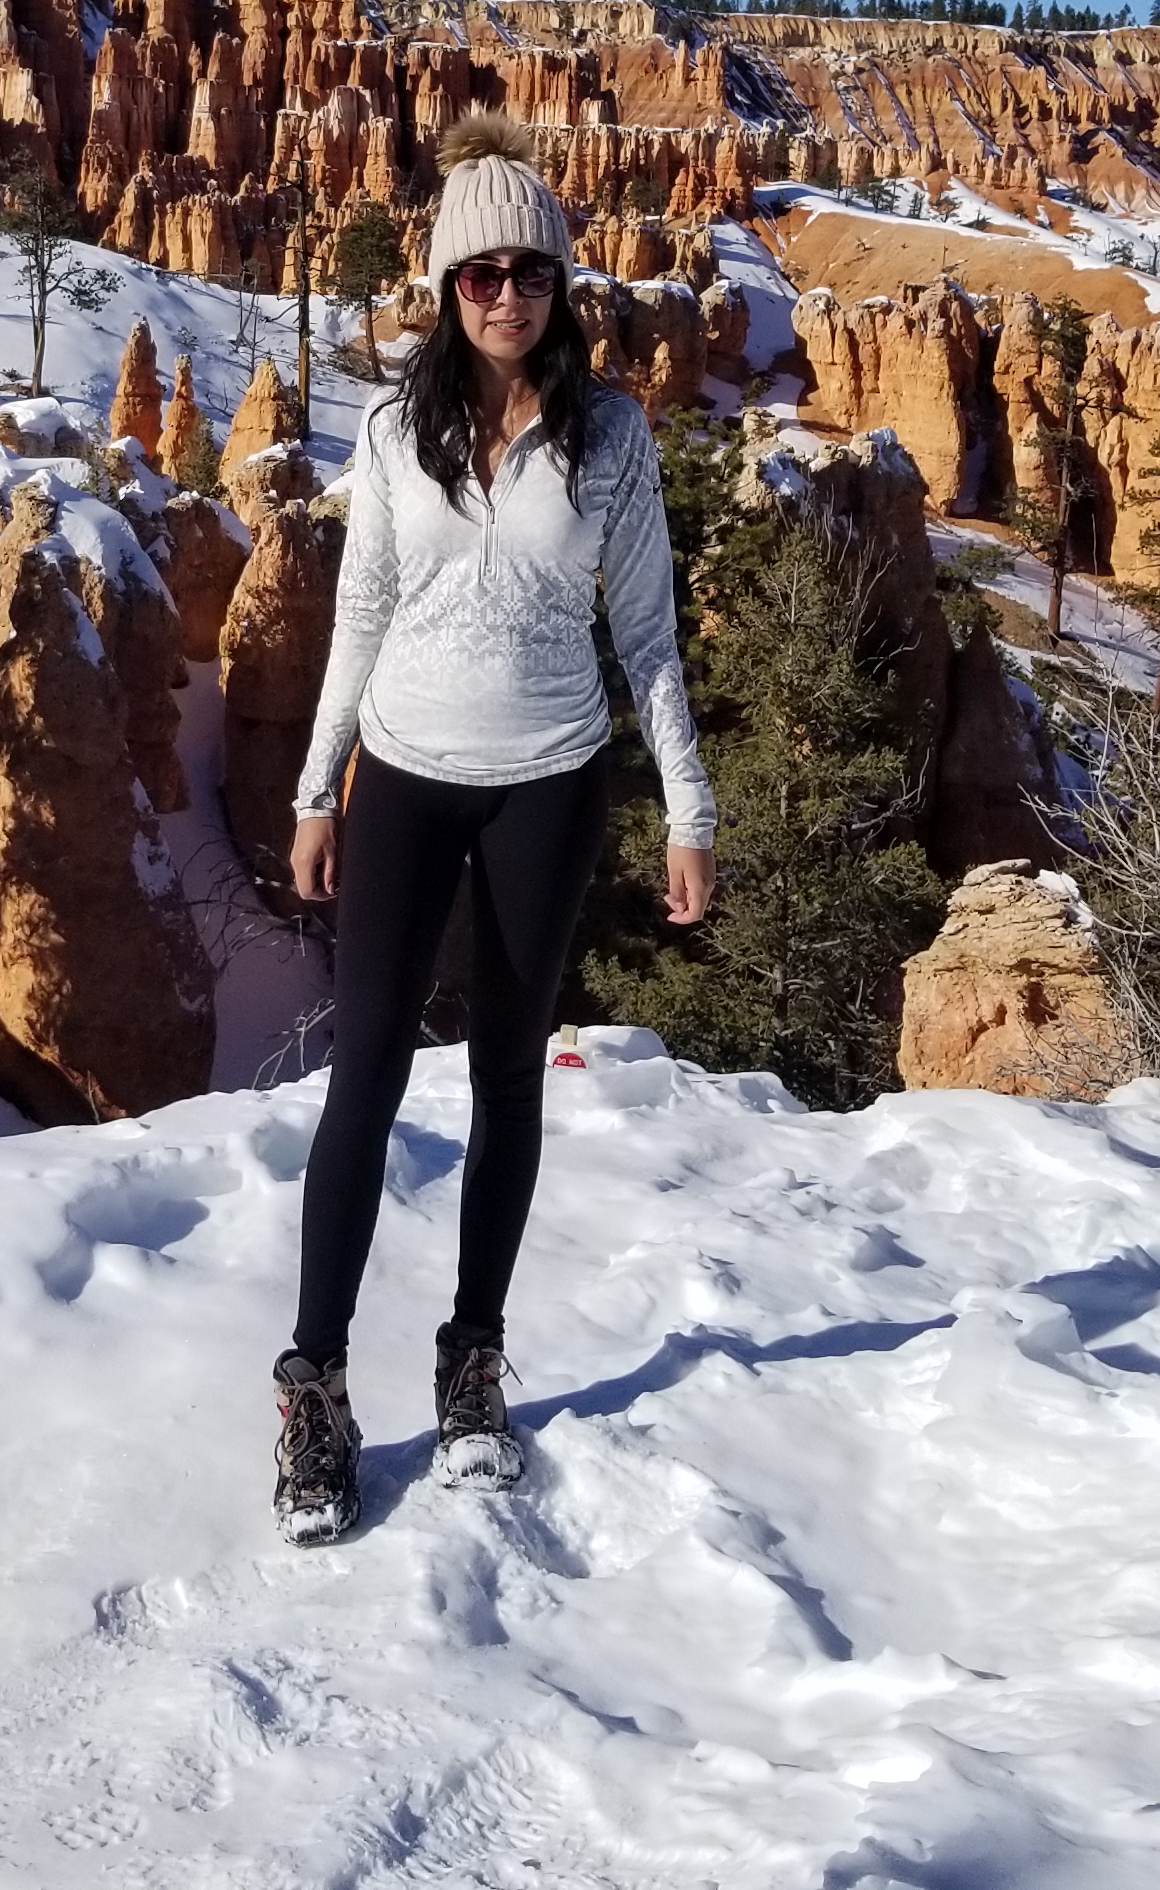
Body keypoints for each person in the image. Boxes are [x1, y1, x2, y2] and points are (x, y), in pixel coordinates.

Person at [269, 120, 715, 1544]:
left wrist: (688, 812)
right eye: (478, 274)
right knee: (367, 1084)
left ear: (562, 284)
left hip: (550, 781)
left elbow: (646, 636)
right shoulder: (398, 430)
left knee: (511, 1078)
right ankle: (316, 1390)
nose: (505, 296)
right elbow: (359, 611)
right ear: (446, 286)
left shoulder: (614, 437)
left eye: (530, 272)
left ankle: (472, 1366)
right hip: (402, 773)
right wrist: (315, 785)